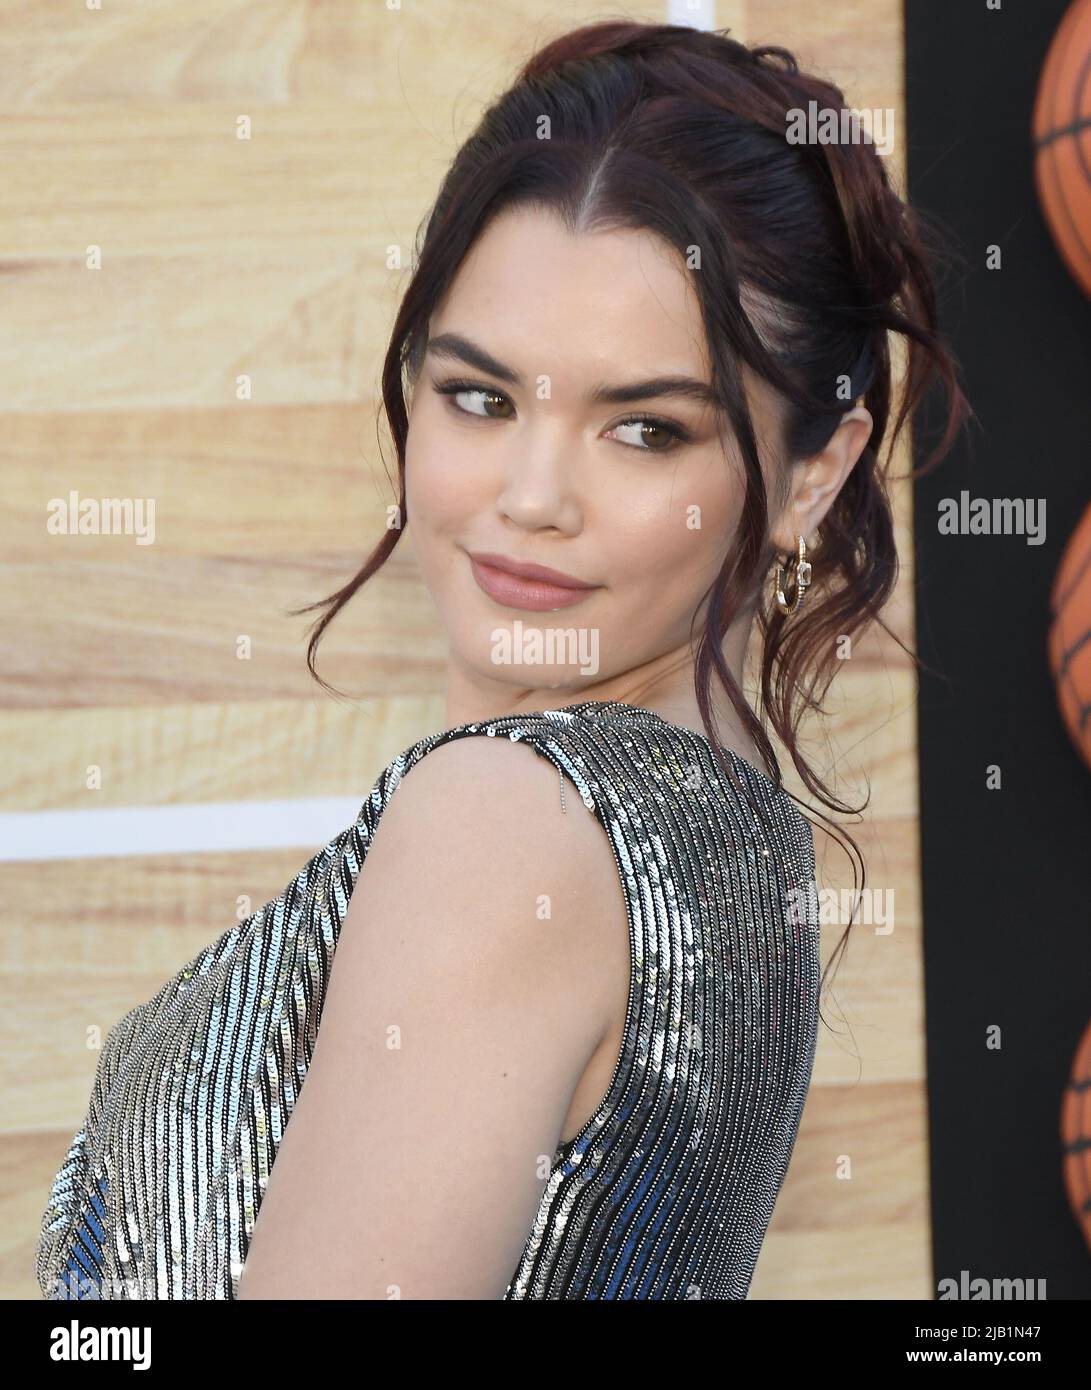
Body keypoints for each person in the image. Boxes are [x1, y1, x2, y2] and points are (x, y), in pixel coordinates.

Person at [35, 19, 966, 1300]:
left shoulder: (505, 825)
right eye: (480, 398)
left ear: (816, 469)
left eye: (643, 428)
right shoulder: (734, 829)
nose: (531, 496)